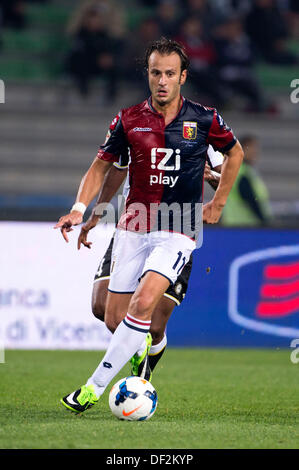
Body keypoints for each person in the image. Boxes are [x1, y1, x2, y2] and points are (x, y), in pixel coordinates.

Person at [55, 37, 244, 413]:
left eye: (169, 74)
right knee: (112, 317)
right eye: (156, 73)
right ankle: (139, 344)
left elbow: (234, 153)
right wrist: (82, 209)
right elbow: (103, 165)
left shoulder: (204, 119)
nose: (162, 80)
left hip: (179, 227)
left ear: (182, 77)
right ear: (148, 74)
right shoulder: (128, 120)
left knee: (143, 306)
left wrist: (218, 200)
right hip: (134, 225)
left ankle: (92, 388)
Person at [77, 146, 224, 381]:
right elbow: (117, 168)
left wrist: (212, 177)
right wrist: (97, 212)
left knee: (154, 328)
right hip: (133, 229)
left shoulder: (201, 128)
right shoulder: (133, 124)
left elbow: (226, 179)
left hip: (177, 231)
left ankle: (139, 382)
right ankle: (137, 365)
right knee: (102, 308)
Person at [221, 134, 272, 226]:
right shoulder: (241, 173)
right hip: (245, 227)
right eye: (251, 148)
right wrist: (265, 221)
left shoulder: (242, 170)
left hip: (236, 226)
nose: (255, 151)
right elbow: (250, 199)